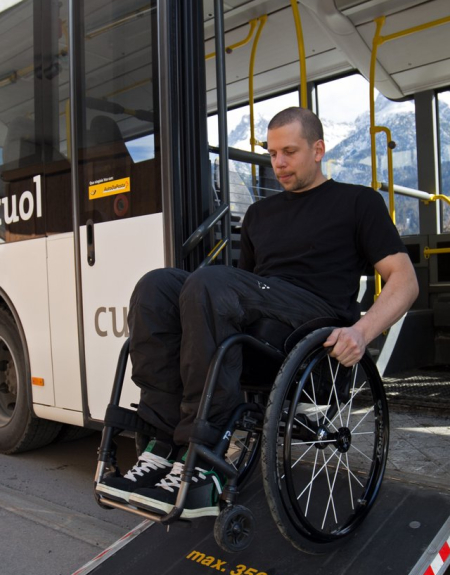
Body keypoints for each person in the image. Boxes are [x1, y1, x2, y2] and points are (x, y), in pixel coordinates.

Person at [97, 106, 418, 517]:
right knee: (157, 285)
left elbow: (405, 280)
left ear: (318, 149)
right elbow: (237, 292)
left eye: (290, 152)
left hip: (312, 325)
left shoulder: (357, 202)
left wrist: (362, 331)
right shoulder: (259, 214)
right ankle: (162, 442)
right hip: (261, 325)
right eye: (272, 154)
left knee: (212, 281)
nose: (278, 163)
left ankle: (207, 453)